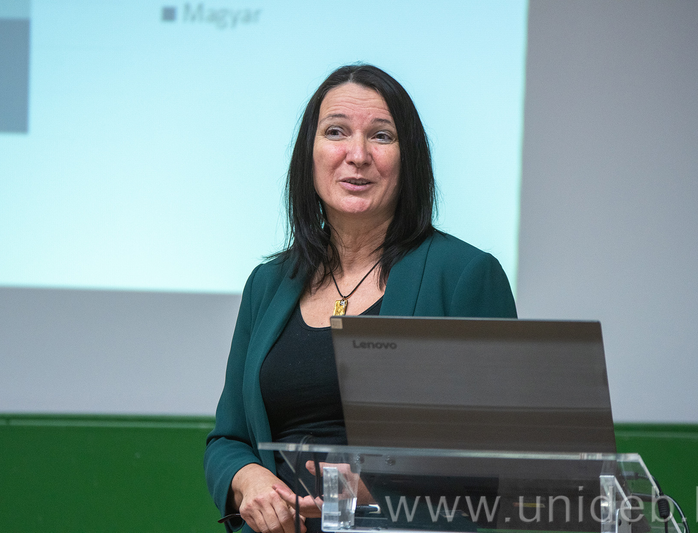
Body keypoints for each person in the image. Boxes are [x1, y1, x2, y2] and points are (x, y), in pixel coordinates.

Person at [204, 64, 517, 533]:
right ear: (308, 155)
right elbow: (228, 439)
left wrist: (372, 487)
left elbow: (502, 460)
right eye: (336, 132)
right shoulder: (267, 284)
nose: (357, 155)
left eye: (381, 136)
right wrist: (248, 479)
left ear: (409, 159)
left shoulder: (464, 276)